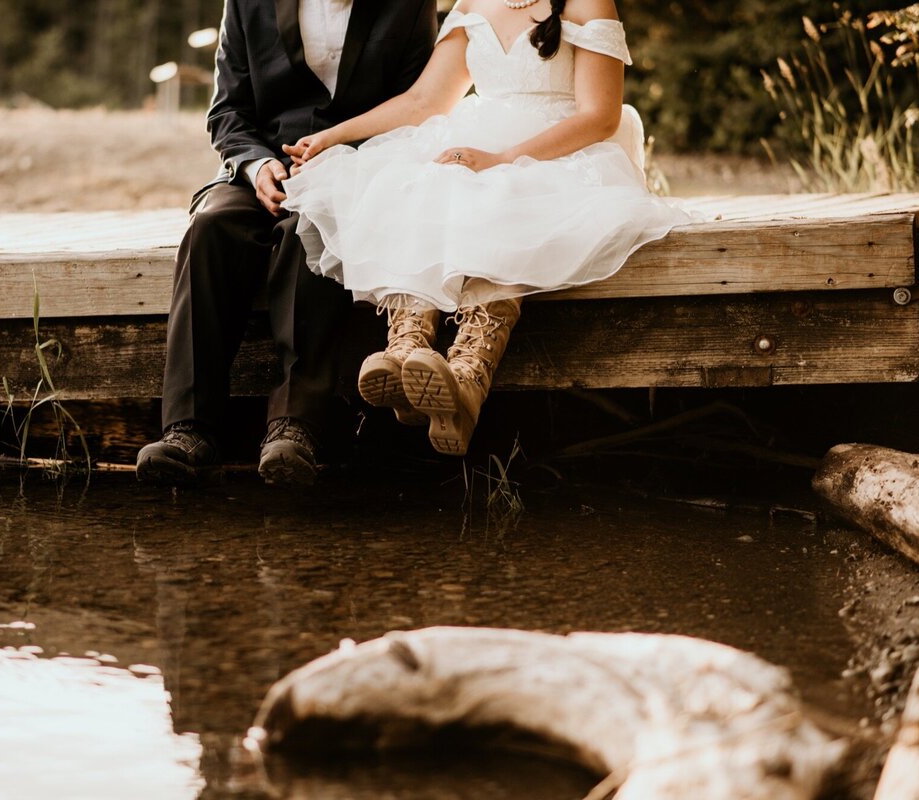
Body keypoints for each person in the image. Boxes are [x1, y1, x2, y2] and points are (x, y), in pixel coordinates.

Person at [281, 0, 697, 456]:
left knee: (505, 193)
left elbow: (600, 116)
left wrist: (503, 159)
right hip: (482, 135)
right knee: (419, 181)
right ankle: (406, 351)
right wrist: (334, 135)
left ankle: (466, 378)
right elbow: (425, 102)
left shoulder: (586, 1)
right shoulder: (474, 2)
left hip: (563, 149)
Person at [137, 0, 439, 487]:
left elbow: (415, 108)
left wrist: (342, 161)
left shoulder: (408, 5)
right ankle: (187, 428)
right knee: (210, 227)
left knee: (309, 232)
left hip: (356, 169)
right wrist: (257, 166)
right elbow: (228, 111)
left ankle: (295, 426)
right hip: (262, 166)